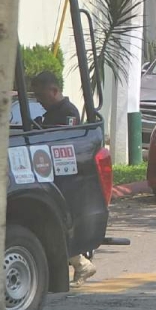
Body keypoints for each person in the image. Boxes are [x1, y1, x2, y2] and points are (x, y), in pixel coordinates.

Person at [29, 72, 95, 285]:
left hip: (65, 178)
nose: (39, 100)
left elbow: (62, 140)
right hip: (47, 174)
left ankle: (81, 265)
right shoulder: (49, 113)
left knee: (55, 223)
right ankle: (79, 264)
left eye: (41, 95)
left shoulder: (68, 112)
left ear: (54, 91)